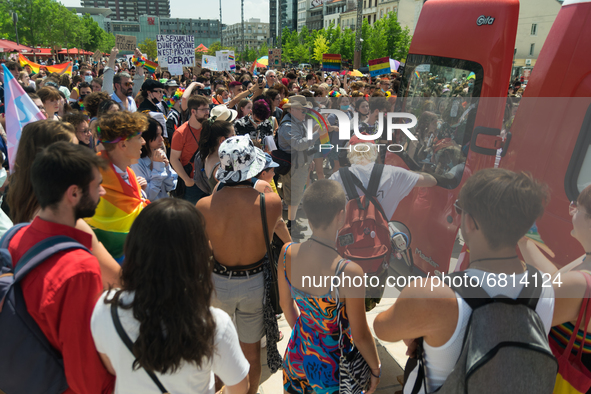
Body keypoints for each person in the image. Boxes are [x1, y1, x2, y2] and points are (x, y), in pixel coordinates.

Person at [373, 168, 554, 393]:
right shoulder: (544, 287)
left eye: (460, 209)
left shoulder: (432, 293)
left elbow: (382, 329)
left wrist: (416, 327)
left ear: (470, 222)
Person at [91, 198, 250, 394]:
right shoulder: (214, 324)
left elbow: (111, 365)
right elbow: (240, 387)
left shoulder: (106, 309)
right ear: (196, 256)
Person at [7, 141, 115, 394]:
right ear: (74, 194)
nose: (103, 193)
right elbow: (85, 374)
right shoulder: (81, 268)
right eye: (97, 185)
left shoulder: (13, 237)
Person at [196, 135, 283, 394]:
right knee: (251, 354)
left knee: (215, 350)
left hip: (217, 282)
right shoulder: (272, 203)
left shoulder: (203, 205)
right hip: (254, 283)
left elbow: (206, 247)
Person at [280, 180, 380, 394]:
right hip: (333, 368)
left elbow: (285, 306)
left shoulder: (286, 253)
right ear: (341, 215)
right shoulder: (348, 271)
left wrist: (308, 333)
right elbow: (361, 335)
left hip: (297, 356)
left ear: (306, 213)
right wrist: (375, 368)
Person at [519, 185, 591, 382]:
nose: (571, 210)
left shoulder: (581, 285)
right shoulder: (586, 263)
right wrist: (523, 239)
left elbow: (516, 321)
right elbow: (557, 278)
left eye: (576, 207)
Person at [86, 111, 150, 263]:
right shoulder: (93, 180)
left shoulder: (128, 172)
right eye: (139, 137)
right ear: (123, 144)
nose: (143, 142)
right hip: (106, 264)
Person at [277, 95, 320, 236]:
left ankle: (292, 223)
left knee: (295, 197)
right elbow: (299, 144)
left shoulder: (295, 122)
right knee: (292, 197)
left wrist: (310, 159)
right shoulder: (288, 125)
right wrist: (316, 134)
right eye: (303, 110)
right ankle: (291, 227)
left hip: (299, 164)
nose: (305, 113)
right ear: (292, 110)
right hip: (293, 167)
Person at [170, 95, 210, 204]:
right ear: (193, 111)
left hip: (208, 180)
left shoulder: (208, 128)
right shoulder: (180, 133)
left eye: (208, 109)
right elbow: (174, 159)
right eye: (203, 109)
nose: (207, 112)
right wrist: (187, 180)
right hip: (192, 185)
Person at [130, 116, 177, 201]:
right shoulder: (136, 162)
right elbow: (148, 195)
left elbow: (171, 186)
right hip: (151, 209)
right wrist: (158, 167)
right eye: (156, 135)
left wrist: (166, 167)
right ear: (146, 136)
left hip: (164, 205)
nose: (161, 139)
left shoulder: (159, 154)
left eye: (161, 134)